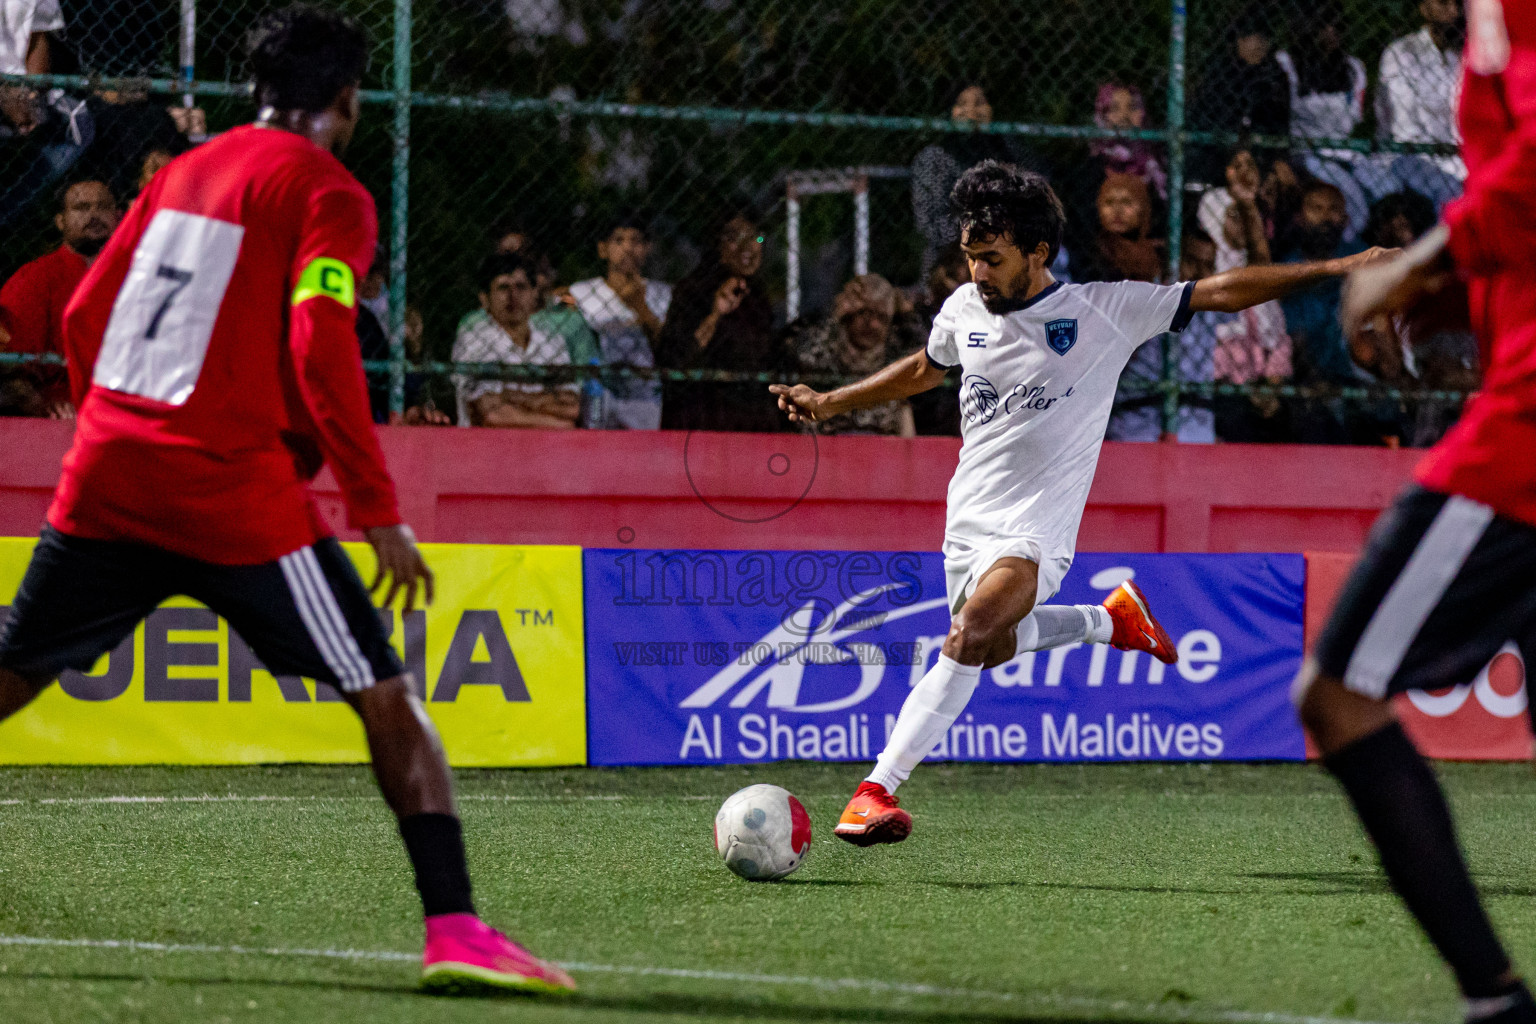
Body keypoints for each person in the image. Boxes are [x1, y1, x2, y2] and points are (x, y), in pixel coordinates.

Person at [0, 6, 574, 994]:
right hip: (229, 494)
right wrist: (376, 506)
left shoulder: (180, 171)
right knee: (386, 692)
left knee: (13, 669)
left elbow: (91, 308)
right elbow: (319, 341)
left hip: (105, 475)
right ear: (347, 101)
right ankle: (457, 929)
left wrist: (117, 421)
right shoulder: (330, 192)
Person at [770, 160, 1386, 845]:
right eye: (970, 257)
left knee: (969, 632)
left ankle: (873, 790)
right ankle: (1109, 620)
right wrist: (831, 401)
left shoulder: (1101, 311)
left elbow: (1220, 292)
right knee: (990, 646)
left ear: (1038, 252)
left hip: (1037, 527)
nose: (976, 272)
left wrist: (1341, 267)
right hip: (968, 520)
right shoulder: (963, 310)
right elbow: (926, 367)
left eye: (992, 259)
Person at [1299, 4, 1536, 1020]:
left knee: (1339, 692)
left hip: (1523, 437)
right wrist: (1449, 292)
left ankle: (1495, 1002)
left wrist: (1418, 259)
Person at [656, 207, 783, 433]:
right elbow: (675, 357)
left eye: (755, 237)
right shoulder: (693, 291)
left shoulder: (757, 295)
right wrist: (715, 313)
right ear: (717, 245)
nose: (747, 247)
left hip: (750, 419)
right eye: (734, 238)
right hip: (704, 416)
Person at [0, 176, 119, 417]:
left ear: (118, 216)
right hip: (60, 406)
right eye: (81, 208)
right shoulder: (35, 278)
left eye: (103, 206)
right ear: (60, 221)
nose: (94, 215)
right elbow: (14, 365)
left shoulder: (138, 275)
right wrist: (43, 400)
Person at [1275, 4, 1391, 240]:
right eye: (1322, 28)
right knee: (1351, 200)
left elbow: (1353, 118)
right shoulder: (1286, 64)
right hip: (1306, 151)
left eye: (1335, 28)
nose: (1330, 34)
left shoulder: (1353, 69)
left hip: (1345, 151)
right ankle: (1342, 254)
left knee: (1388, 188)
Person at [452, 252, 582, 429]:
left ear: (534, 293)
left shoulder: (552, 342)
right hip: (488, 448)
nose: (513, 296)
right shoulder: (475, 340)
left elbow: (571, 408)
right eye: (503, 288)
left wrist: (511, 397)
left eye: (521, 287)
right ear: (484, 299)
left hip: (547, 449)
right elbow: (493, 415)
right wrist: (555, 420)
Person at [911, 83, 1023, 280]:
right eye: (962, 104)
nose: (971, 112)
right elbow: (929, 221)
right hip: (950, 257)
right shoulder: (934, 158)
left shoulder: (1008, 152)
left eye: (979, 103)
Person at [568, 214, 669, 429]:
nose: (628, 249)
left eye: (636, 241)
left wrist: (641, 308)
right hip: (598, 394)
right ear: (603, 249)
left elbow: (669, 346)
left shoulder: (663, 295)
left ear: (647, 248)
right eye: (619, 240)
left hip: (646, 398)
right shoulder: (582, 293)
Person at [787, 274, 918, 437]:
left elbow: (932, 357)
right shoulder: (828, 349)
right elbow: (801, 354)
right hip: (828, 443)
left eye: (882, 317)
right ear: (849, 314)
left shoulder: (894, 353)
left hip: (883, 447)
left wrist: (908, 316)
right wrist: (835, 316)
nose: (873, 324)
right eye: (865, 313)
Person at [1377, 0, 1467, 210]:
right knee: (1451, 195)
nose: (1453, 11)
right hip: (1411, 155)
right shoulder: (1401, 53)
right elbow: (1404, 126)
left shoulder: (1463, 56)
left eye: (1457, 4)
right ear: (1423, 8)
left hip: (1458, 157)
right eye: (1444, 3)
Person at [1188, 2, 1290, 181]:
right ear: (1239, 41)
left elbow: (1278, 123)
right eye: (1252, 38)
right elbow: (1210, 118)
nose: (1259, 44)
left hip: (1260, 152)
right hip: (1218, 150)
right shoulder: (1221, 72)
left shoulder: (1275, 75)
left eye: (1264, 39)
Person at [1070, 172, 1164, 284]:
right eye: (1109, 202)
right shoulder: (1090, 257)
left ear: (1143, 208)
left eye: (1126, 202)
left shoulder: (1159, 255)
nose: (1117, 211)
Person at [1088, 81, 1167, 201]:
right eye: (1114, 108)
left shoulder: (1159, 169)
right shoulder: (1092, 172)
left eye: (1133, 107)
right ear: (1103, 116)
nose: (1124, 116)